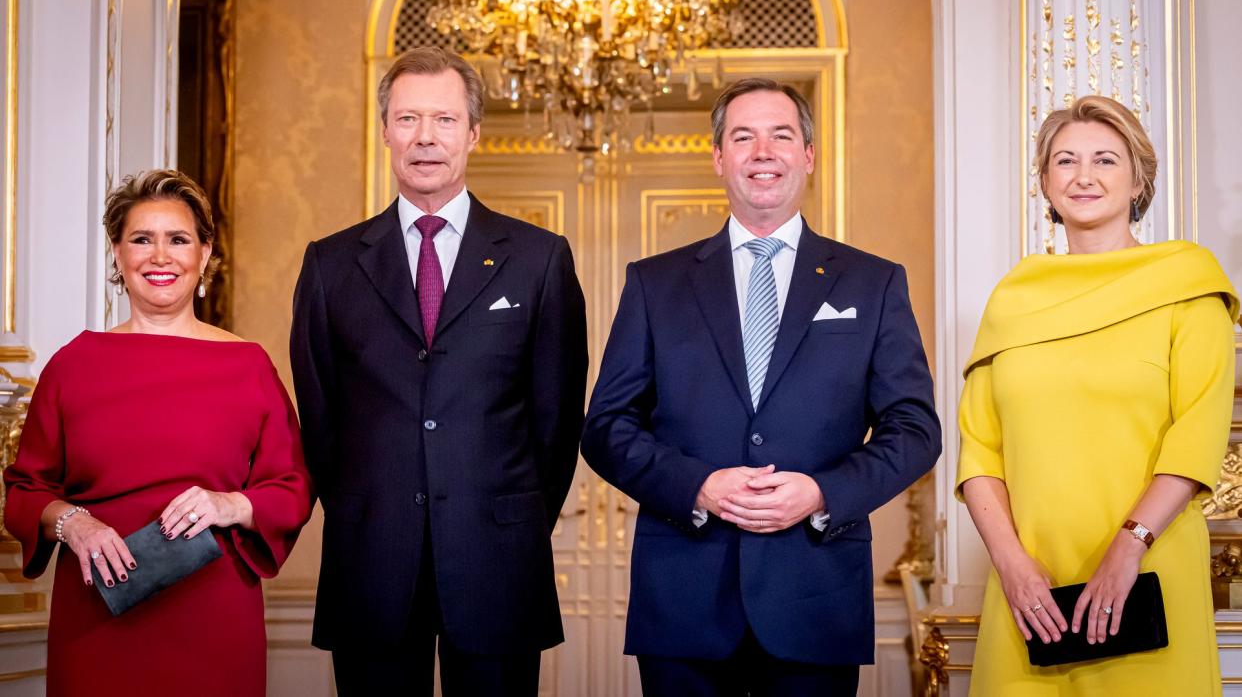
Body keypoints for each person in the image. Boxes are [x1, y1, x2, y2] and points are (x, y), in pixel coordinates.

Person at [581, 78, 941, 696]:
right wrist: (698, 485)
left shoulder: (873, 283)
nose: (763, 152)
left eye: (781, 135)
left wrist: (823, 493)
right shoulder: (654, 284)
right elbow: (607, 428)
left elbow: (915, 429)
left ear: (808, 154)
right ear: (719, 157)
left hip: (815, 594)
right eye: (743, 137)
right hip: (684, 600)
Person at [289, 46, 588, 696]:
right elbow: (320, 417)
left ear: (474, 133)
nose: (426, 137)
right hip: (370, 557)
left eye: (445, 120)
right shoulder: (330, 265)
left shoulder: (539, 260)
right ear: (387, 131)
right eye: (409, 119)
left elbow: (558, 420)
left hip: (498, 561)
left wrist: (514, 515)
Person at [956, 95, 1238, 696]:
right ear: (1044, 182)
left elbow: (1197, 436)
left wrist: (1127, 551)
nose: (1084, 176)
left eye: (1106, 160)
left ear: (1139, 178)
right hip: (1029, 586)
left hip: (1148, 566)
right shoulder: (1014, 296)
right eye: (1065, 161)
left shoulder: (1189, 284)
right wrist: (1012, 566)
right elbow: (979, 450)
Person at [2, 169, 313, 696]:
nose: (160, 256)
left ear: (205, 253)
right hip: (96, 617)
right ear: (118, 254)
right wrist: (73, 524)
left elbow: (292, 490)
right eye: (141, 239)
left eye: (179, 239)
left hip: (215, 620)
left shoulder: (249, 366)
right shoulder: (73, 365)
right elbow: (26, 494)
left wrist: (226, 504)